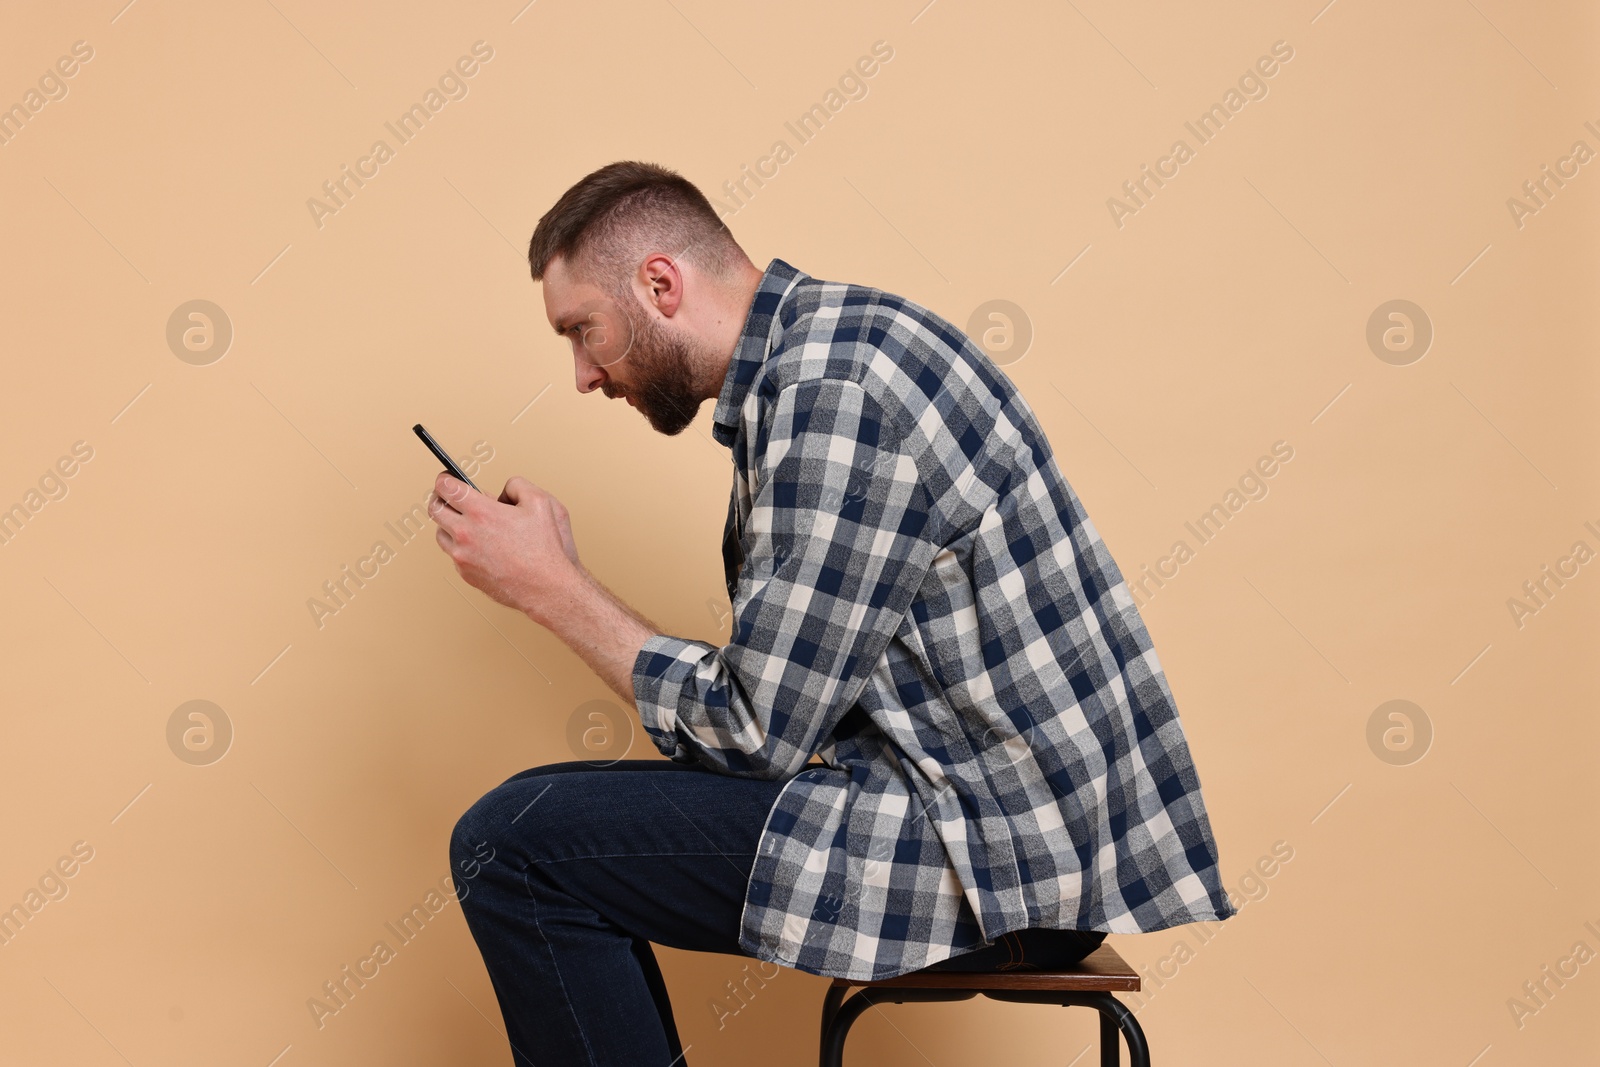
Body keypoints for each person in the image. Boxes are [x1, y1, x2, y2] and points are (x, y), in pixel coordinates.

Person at [433, 161, 1234, 1066]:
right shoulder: (823, 358)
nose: (582, 375)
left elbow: (752, 730)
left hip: (996, 859)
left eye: (583, 331)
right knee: (530, 814)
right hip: (995, 825)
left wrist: (553, 588)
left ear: (659, 284)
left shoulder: (837, 391)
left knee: (510, 843)